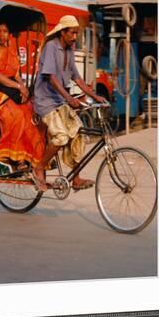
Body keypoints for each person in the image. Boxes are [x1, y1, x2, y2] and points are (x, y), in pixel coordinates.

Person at [32, 15, 106, 191]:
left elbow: (77, 78)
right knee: (61, 136)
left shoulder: (69, 50)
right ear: (62, 32)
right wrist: (69, 98)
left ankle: (76, 178)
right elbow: (51, 78)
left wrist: (96, 97)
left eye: (76, 33)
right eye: (72, 33)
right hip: (45, 101)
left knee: (78, 133)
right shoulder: (51, 47)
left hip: (59, 100)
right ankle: (39, 167)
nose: (75, 36)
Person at [0, 20, 45, 169]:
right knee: (16, 115)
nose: (2, 35)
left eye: (5, 31)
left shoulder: (10, 50)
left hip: (8, 90)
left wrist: (24, 88)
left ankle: (28, 156)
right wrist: (19, 87)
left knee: (29, 112)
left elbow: (15, 74)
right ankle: (13, 157)